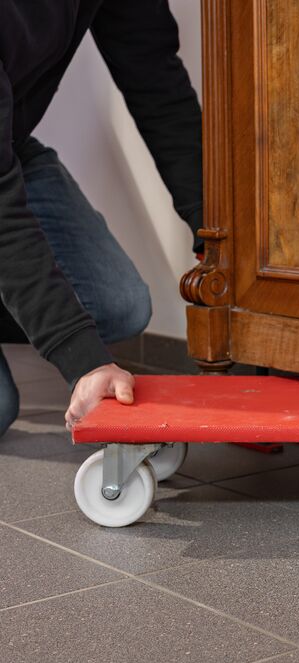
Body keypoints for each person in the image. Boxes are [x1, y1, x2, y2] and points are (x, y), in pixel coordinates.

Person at [0, 0, 202, 437]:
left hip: (8, 146)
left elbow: (156, 79)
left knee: (120, 304)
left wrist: (215, 232)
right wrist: (84, 361)